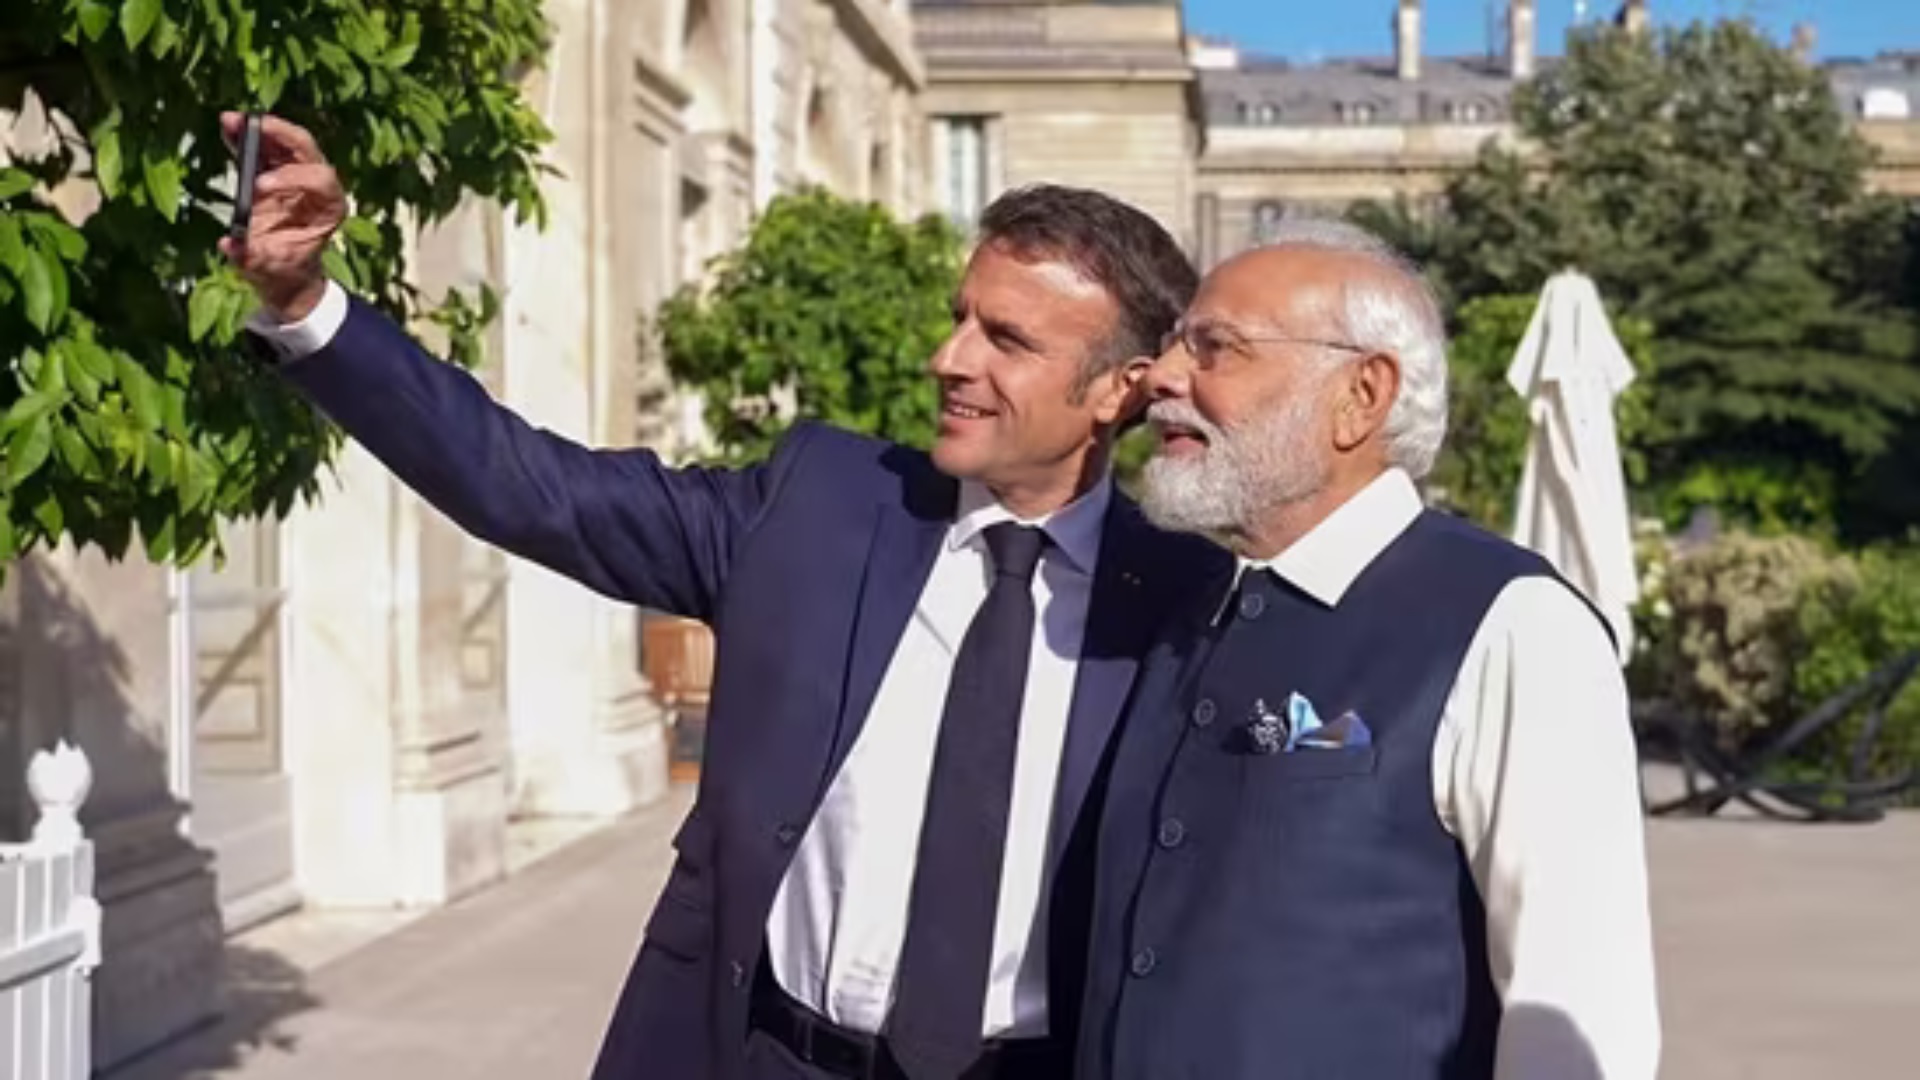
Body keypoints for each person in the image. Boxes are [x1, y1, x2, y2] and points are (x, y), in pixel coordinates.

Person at [220, 113, 1225, 1080]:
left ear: (1118, 390)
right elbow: (524, 486)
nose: (949, 358)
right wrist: (308, 303)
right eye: (960, 318)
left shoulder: (1188, 603)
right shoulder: (820, 504)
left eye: (1006, 339)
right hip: (762, 1052)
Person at [1074, 219, 1661, 1080]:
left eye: (1216, 347)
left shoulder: (1512, 624)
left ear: (1360, 396)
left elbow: (1577, 1009)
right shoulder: (1184, 604)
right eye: (1173, 345)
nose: (1161, 376)